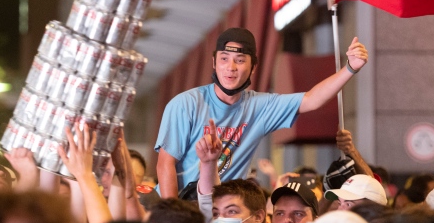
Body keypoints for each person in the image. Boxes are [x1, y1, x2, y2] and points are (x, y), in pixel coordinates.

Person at [155, 27, 369, 197]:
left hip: (224, 210)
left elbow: (311, 100)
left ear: (253, 67)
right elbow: (165, 165)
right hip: (178, 200)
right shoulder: (185, 104)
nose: (231, 67)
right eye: (224, 59)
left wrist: (350, 68)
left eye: (239, 60)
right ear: (214, 62)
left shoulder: (260, 106)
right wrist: (175, 214)